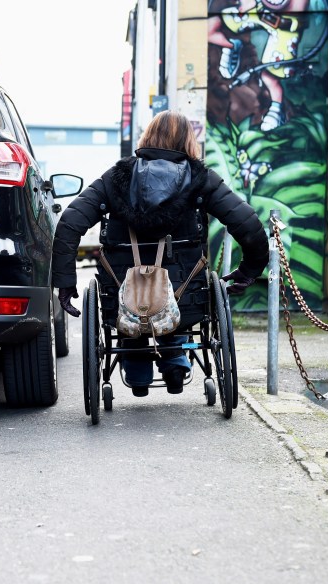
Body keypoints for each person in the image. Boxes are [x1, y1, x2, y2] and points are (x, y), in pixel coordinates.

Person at [51, 110, 268, 397]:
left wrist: (65, 281)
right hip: (185, 294)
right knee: (180, 286)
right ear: (188, 141)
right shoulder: (201, 179)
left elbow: (69, 224)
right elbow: (249, 225)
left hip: (122, 293)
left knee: (132, 301)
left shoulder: (116, 177)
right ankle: (175, 362)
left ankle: (137, 370)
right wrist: (249, 270)